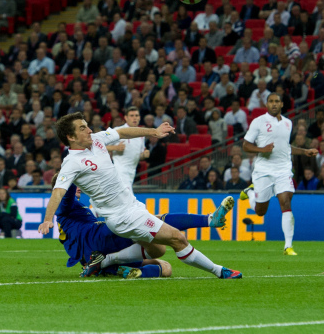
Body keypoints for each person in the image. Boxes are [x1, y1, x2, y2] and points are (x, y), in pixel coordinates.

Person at [38, 112, 242, 280]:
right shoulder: (71, 163)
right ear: (71, 137)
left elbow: (123, 131)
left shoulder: (98, 140)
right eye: (82, 128)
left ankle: (107, 261)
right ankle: (219, 271)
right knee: (177, 238)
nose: (89, 129)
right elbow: (58, 191)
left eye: (87, 125)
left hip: (132, 206)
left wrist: (154, 131)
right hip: (122, 217)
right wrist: (48, 220)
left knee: (158, 251)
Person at [53, 173, 233, 279]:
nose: (78, 187)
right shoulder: (63, 203)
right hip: (99, 240)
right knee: (154, 221)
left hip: (92, 258)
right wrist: (71, 172)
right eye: (74, 184)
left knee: (164, 264)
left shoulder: (71, 211)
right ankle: (208, 220)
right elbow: (66, 192)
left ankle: (122, 268)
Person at [240, 93, 318, 255]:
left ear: (282, 104)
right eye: (271, 101)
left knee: (286, 202)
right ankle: (250, 193)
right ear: (267, 104)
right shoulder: (258, 122)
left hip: (283, 170)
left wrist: (305, 151)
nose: (274, 104)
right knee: (261, 211)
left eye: (277, 101)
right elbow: (246, 145)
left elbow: (286, 147)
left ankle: (288, 246)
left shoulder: (288, 123)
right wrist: (262, 149)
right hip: (263, 171)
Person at [106, 107, 150, 194]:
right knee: (127, 197)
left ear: (140, 117)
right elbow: (99, 145)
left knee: (121, 199)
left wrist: (144, 155)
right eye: (132, 115)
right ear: (126, 118)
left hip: (132, 172)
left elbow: (137, 155)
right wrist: (115, 148)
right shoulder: (118, 130)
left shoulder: (141, 134)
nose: (135, 118)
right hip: (119, 171)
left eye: (136, 115)